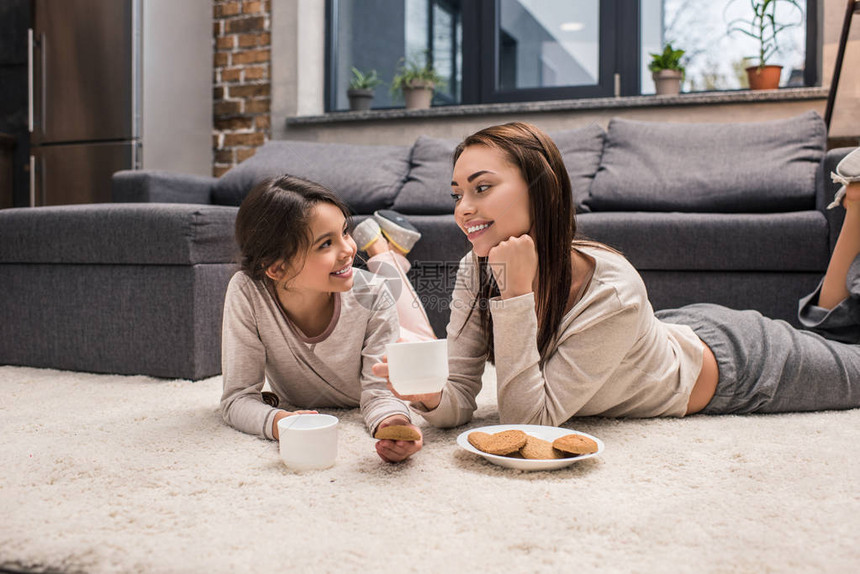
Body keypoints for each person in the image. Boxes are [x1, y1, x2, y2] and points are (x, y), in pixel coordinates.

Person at [373, 122, 860, 428]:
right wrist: (432, 395)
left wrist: (516, 296)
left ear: (540, 190)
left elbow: (529, 420)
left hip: (742, 365)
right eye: (457, 193)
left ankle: (853, 204)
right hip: (662, 333)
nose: (464, 209)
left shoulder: (614, 287)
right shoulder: (476, 268)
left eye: (482, 188)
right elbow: (460, 392)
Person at [220, 174, 434, 462]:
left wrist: (393, 423)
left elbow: (380, 393)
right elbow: (237, 399)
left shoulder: (373, 293)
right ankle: (385, 251)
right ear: (276, 268)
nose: (347, 249)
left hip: (377, 305)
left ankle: (383, 251)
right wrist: (281, 422)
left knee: (424, 346)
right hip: (361, 291)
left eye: (345, 232)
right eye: (325, 244)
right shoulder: (248, 292)